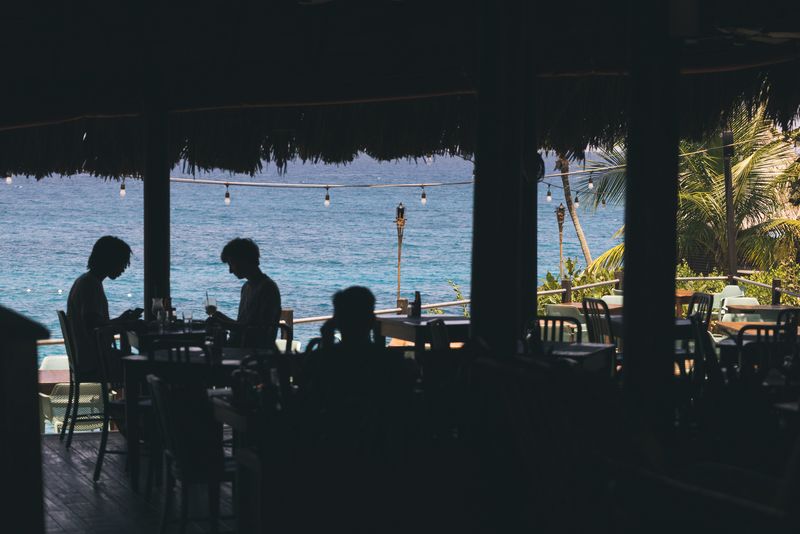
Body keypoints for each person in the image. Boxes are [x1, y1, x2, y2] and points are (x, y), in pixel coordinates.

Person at [67, 236, 142, 381]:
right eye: (122, 263)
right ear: (110, 261)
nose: (124, 268)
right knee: (147, 367)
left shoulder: (86, 281)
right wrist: (125, 324)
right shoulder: (90, 285)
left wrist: (120, 320)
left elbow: (93, 321)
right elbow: (93, 324)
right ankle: (138, 403)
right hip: (96, 362)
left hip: (86, 359)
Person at [207, 237, 282, 348]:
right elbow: (244, 326)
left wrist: (224, 324)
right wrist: (222, 318)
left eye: (232, 264)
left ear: (244, 260)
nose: (230, 271)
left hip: (255, 354)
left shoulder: (267, 288)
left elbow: (259, 332)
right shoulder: (247, 287)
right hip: (242, 348)